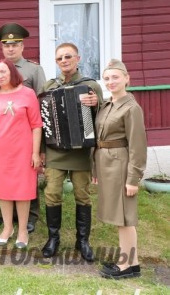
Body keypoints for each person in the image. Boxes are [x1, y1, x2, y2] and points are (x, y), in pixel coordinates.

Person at [40, 42, 102, 261]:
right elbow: (41, 121)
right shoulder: (49, 86)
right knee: (52, 193)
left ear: (78, 58)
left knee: (82, 195)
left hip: (81, 152)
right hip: (55, 150)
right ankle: (53, 238)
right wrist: (41, 150)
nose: (64, 61)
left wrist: (97, 104)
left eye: (68, 57)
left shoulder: (91, 85)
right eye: (60, 58)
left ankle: (82, 240)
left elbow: (103, 119)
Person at [0, 59, 43, 249]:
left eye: (3, 72)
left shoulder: (27, 93)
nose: (0, 75)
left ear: (12, 72)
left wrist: (35, 152)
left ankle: (22, 230)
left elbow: (36, 125)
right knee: (2, 191)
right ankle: (7, 228)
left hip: (22, 151)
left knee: (22, 191)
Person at [93, 59, 147, 279]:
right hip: (107, 165)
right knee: (119, 216)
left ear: (127, 78)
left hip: (121, 165)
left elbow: (138, 145)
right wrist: (95, 170)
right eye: (106, 78)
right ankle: (131, 263)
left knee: (125, 217)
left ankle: (125, 266)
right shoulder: (108, 105)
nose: (110, 81)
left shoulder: (132, 108)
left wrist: (133, 179)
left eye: (115, 77)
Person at [0, 22, 47, 233]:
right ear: (2, 48)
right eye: (6, 45)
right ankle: (8, 217)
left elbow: (42, 105)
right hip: (5, 137)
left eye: (15, 44)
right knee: (6, 174)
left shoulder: (34, 69)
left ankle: (31, 216)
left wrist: (41, 146)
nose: (10, 49)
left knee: (27, 175)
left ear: (22, 46)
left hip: (27, 135)